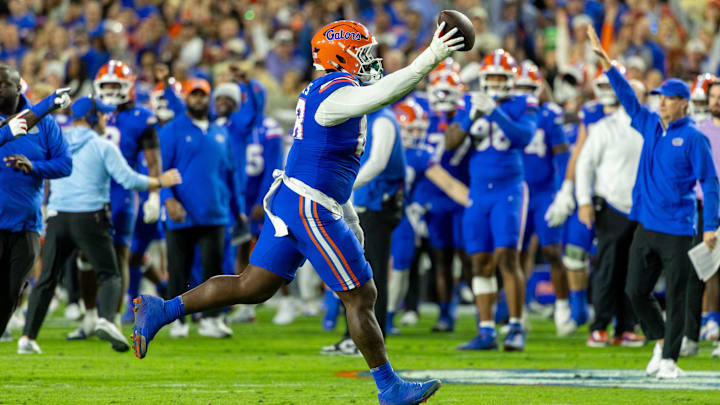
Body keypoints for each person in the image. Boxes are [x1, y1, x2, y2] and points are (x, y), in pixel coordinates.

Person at [132, 20, 465, 404]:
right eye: (363, 53)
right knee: (361, 294)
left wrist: (349, 215)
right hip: (309, 205)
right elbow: (386, 93)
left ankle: (163, 309)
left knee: (251, 286)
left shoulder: (330, 91)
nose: (370, 61)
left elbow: (325, 165)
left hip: (304, 199)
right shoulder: (334, 92)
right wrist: (433, 56)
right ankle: (389, 387)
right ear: (340, 54)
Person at [588, 25, 719, 379]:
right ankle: (660, 341)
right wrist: (608, 66)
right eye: (659, 95)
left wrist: (711, 227)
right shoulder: (649, 124)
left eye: (668, 97)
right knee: (634, 291)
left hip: (678, 229)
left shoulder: (694, 139)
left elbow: (709, 181)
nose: (660, 101)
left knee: (676, 296)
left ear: (684, 103)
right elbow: (629, 99)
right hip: (645, 224)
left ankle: (671, 361)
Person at [18, 96, 181, 354]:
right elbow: (128, 179)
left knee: (47, 278)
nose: (107, 118)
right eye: (103, 115)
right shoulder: (101, 145)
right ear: (93, 118)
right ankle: (106, 318)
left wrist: (47, 203)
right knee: (110, 272)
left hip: (58, 217)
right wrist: (159, 182)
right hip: (90, 218)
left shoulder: (58, 140)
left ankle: (27, 337)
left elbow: (44, 170)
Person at [445, 49, 538, 352]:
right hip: (478, 192)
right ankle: (486, 330)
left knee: (507, 258)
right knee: (479, 261)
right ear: (483, 78)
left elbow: (523, 137)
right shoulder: (469, 102)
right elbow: (450, 143)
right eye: (492, 76)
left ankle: (515, 326)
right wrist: (472, 115)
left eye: (502, 77)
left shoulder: (524, 103)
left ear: (511, 80)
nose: (496, 82)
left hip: (508, 189)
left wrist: (494, 112)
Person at [156, 78, 244, 339]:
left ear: (209, 98)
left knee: (214, 272)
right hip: (181, 212)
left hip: (215, 212)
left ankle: (212, 318)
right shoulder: (171, 130)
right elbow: (160, 169)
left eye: (202, 95)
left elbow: (230, 173)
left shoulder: (221, 131)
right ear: (186, 99)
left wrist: (238, 208)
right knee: (179, 270)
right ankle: (177, 321)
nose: (198, 99)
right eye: (194, 95)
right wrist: (167, 199)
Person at [322, 100, 407, 353]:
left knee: (372, 273)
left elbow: (378, 163)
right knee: (354, 271)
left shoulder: (382, 119)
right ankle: (354, 335)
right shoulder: (365, 116)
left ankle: (370, 339)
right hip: (363, 204)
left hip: (377, 205)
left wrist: (346, 186)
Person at [385, 100, 470, 336]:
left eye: (419, 130)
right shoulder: (376, 145)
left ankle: (388, 316)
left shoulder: (420, 155)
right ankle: (336, 314)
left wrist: (475, 202)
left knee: (401, 265)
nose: (416, 135)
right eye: (411, 129)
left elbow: (450, 184)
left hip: (401, 215)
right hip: (370, 212)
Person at [0, 63, 72, 339]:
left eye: (1, 85)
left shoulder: (46, 126)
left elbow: (65, 165)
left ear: (18, 88)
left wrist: (35, 167)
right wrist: (47, 104)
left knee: (11, 291)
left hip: (27, 222)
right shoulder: (35, 119)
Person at [575, 74, 645, 348]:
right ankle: (599, 326)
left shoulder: (649, 125)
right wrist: (583, 199)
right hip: (612, 204)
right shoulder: (604, 127)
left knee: (634, 270)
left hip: (641, 208)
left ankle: (626, 326)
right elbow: (584, 164)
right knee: (607, 268)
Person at [513, 60, 573, 336]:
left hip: (545, 191)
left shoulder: (549, 114)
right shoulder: (510, 112)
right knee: (517, 253)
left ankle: (562, 308)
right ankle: (519, 312)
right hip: (517, 191)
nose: (525, 92)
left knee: (551, 251)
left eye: (530, 87)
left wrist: (563, 191)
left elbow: (562, 155)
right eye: (521, 86)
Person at [415, 58, 470, 332]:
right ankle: (446, 312)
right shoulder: (422, 113)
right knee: (441, 258)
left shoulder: (467, 111)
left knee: (469, 256)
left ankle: (485, 306)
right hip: (434, 196)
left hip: (463, 194)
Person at [681, 76, 720, 359]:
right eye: (713, 96)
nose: (716, 101)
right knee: (696, 270)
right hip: (700, 207)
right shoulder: (698, 131)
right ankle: (690, 336)